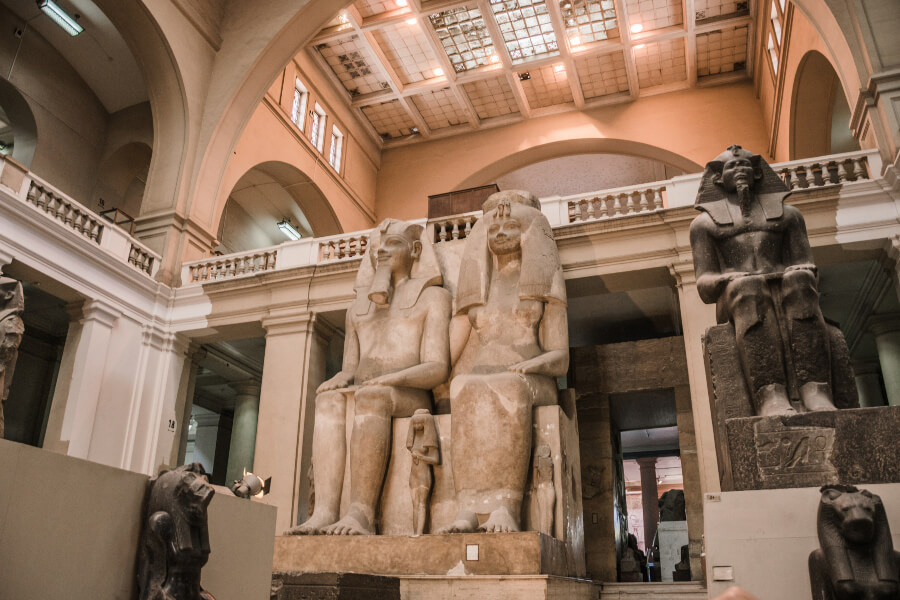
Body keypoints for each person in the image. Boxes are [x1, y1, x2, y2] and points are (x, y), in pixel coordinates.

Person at [287, 219, 451, 535]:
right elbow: (351, 367)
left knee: (370, 396)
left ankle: (361, 513)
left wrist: (391, 380)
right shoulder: (355, 310)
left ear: (415, 250)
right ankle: (323, 511)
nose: (382, 251)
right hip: (370, 388)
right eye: (379, 246)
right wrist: (341, 376)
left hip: (409, 393)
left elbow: (436, 367)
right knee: (328, 401)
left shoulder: (433, 298)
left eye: (393, 243)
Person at [440, 190, 568, 533]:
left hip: (532, 377)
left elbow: (561, 358)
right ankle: (468, 508)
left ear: (527, 231)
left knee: (508, 385)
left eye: (510, 226)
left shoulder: (545, 281)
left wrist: (534, 365)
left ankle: (505, 506)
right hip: (484, 375)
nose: (499, 233)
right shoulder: (477, 291)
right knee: (462, 386)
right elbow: (446, 357)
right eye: (493, 228)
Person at [690, 145, 836, 416]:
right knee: (749, 288)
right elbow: (704, 285)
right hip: (735, 296)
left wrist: (800, 271)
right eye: (733, 167)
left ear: (758, 174)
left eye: (746, 165)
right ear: (719, 179)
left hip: (785, 286)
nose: (740, 170)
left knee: (801, 281)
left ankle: (815, 388)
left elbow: (807, 264)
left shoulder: (789, 215)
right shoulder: (703, 225)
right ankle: (770, 392)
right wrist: (726, 278)